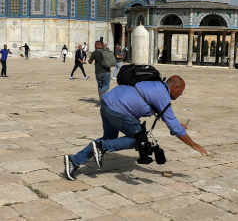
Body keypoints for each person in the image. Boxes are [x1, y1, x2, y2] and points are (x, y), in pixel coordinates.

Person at [63, 75, 208, 180]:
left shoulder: (155, 84)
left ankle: (74, 161)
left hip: (107, 103)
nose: (180, 95)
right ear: (174, 87)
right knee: (140, 139)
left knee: (109, 139)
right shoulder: (163, 94)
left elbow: (163, 115)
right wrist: (194, 145)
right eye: (181, 91)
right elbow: (175, 128)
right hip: (119, 110)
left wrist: (176, 124)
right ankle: (101, 147)